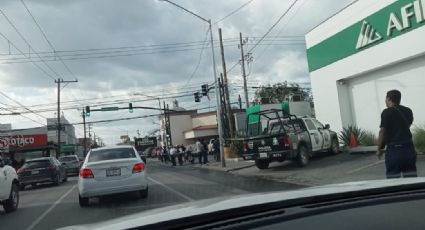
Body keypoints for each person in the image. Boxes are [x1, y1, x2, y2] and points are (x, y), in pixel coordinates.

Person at [377, 89, 417, 178]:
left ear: (388, 99)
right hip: (409, 148)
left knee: (393, 180)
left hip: (394, 150)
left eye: (386, 99)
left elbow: (382, 131)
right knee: (411, 178)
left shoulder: (386, 112)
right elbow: (408, 125)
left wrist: (379, 148)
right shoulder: (408, 111)